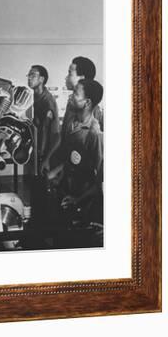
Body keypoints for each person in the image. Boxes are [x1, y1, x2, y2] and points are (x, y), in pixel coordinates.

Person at [50, 79, 104, 227]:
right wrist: (58, 174)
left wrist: (78, 199)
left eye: (75, 93)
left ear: (87, 102)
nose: (70, 96)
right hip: (65, 191)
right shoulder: (71, 123)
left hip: (84, 202)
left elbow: (99, 182)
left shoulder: (94, 133)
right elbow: (70, 158)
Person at [27, 65, 60, 174]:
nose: (29, 78)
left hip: (44, 154)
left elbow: (55, 134)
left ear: (42, 79)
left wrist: (46, 159)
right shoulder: (32, 97)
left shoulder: (48, 101)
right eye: (29, 75)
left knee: (40, 186)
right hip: (34, 149)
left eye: (33, 75)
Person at [62, 56, 103, 133]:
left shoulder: (93, 110)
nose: (66, 77)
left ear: (82, 78)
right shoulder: (72, 103)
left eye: (69, 73)